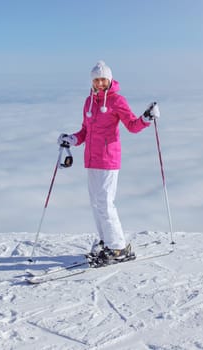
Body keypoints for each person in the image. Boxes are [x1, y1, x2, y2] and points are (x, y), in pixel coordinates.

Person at [58, 60, 160, 263]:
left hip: (108, 159)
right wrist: (71, 139)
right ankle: (106, 241)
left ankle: (119, 248)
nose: (100, 83)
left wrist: (146, 119)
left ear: (110, 79)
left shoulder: (117, 101)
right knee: (96, 203)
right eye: (96, 80)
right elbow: (85, 131)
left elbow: (131, 125)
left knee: (105, 203)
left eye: (103, 79)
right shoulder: (89, 102)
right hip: (92, 159)